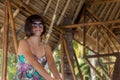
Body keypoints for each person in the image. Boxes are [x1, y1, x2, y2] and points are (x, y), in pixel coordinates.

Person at [14, 14, 62, 80]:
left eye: (40, 24)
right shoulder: (24, 43)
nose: (38, 27)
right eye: (34, 25)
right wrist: (50, 78)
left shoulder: (46, 47)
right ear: (29, 27)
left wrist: (58, 78)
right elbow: (33, 61)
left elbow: (51, 64)